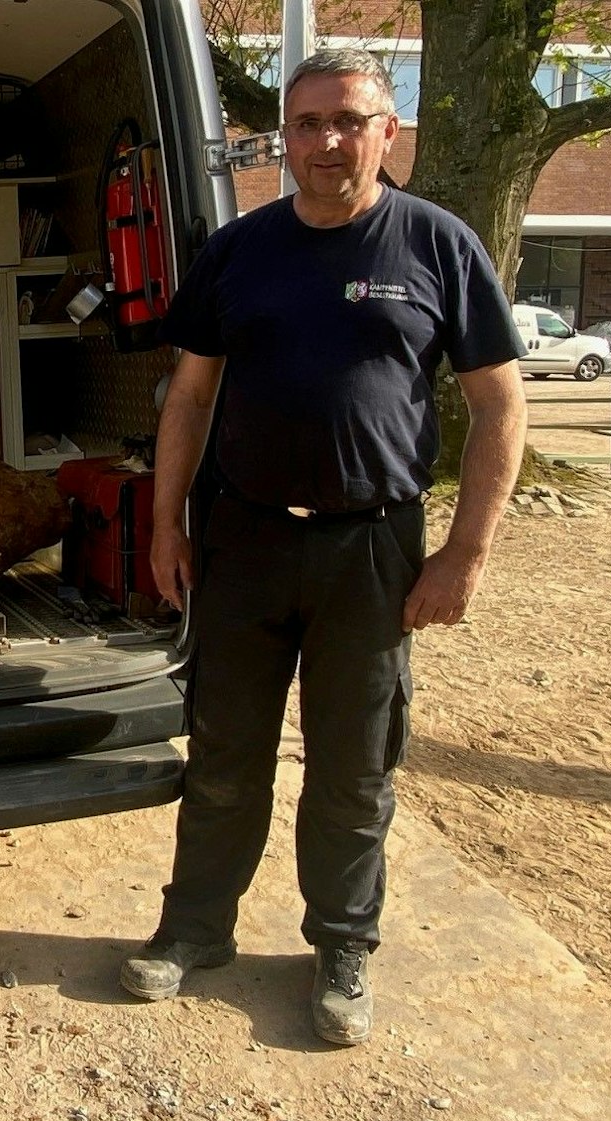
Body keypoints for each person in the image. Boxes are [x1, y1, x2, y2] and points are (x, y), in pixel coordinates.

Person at [119, 49, 528, 1045]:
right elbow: (188, 396)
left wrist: (465, 554)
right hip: (244, 541)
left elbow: (498, 406)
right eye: (306, 124)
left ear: (387, 133)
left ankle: (341, 945)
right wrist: (165, 525)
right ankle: (193, 928)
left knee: (353, 767)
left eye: (348, 121)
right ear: (283, 140)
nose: (326, 142)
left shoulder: (437, 245)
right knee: (224, 753)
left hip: (373, 553)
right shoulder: (238, 250)